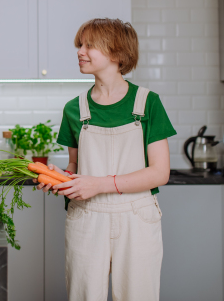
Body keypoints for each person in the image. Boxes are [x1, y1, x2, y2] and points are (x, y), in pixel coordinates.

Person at [37, 18, 176, 300]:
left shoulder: (148, 103)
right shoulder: (75, 109)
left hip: (137, 217)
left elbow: (160, 173)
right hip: (87, 217)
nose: (80, 51)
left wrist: (100, 184)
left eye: (89, 45)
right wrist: (61, 178)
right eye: (80, 45)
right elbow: (76, 166)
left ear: (117, 53)